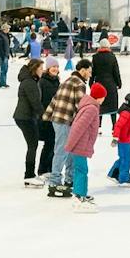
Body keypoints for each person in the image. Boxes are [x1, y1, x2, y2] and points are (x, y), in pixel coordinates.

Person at [43, 58, 90, 197]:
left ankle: (69, 179)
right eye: (89, 71)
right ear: (83, 70)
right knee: (62, 151)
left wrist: (47, 115)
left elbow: (55, 99)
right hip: (65, 120)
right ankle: (55, 182)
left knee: (70, 150)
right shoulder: (80, 84)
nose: (90, 74)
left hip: (58, 119)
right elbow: (81, 106)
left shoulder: (67, 80)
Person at [66, 80, 104, 212]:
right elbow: (78, 127)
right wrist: (70, 145)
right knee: (82, 170)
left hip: (80, 145)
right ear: (99, 97)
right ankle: (78, 196)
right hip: (80, 145)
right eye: (103, 97)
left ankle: (80, 194)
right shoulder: (91, 109)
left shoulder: (89, 106)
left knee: (81, 170)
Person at [13, 60, 44, 185]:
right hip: (25, 118)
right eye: (41, 68)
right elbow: (35, 103)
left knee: (33, 144)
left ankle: (30, 174)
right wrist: (44, 115)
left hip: (26, 117)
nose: (43, 70)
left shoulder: (30, 80)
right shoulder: (29, 82)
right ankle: (29, 175)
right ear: (35, 69)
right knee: (32, 145)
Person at [91, 40, 122, 127]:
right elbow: (116, 71)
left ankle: (99, 126)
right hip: (111, 84)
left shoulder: (95, 57)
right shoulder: (112, 56)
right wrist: (119, 83)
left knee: (99, 105)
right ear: (108, 46)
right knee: (113, 105)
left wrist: (91, 83)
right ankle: (114, 125)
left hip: (99, 84)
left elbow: (93, 72)